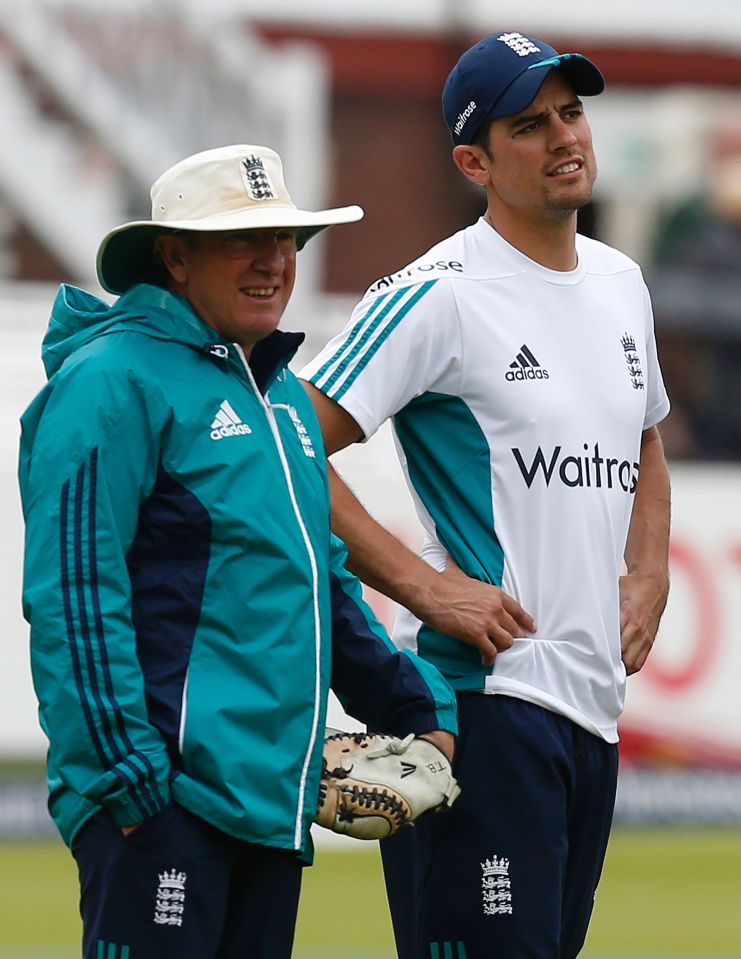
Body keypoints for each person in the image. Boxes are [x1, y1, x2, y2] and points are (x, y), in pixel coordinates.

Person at [18, 143, 457, 959]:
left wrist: (413, 706)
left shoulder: (281, 395)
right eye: (242, 239)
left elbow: (314, 582)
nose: (273, 260)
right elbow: (75, 592)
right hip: (161, 803)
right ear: (175, 256)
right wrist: (132, 781)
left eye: (287, 239)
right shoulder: (110, 381)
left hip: (264, 802)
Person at [301, 32, 672, 959]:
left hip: (590, 711)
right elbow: (286, 441)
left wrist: (650, 569)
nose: (561, 136)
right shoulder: (435, 293)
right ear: (473, 161)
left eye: (570, 112)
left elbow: (646, 435)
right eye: (527, 124)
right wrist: (423, 588)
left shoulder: (622, 282)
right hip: (484, 705)